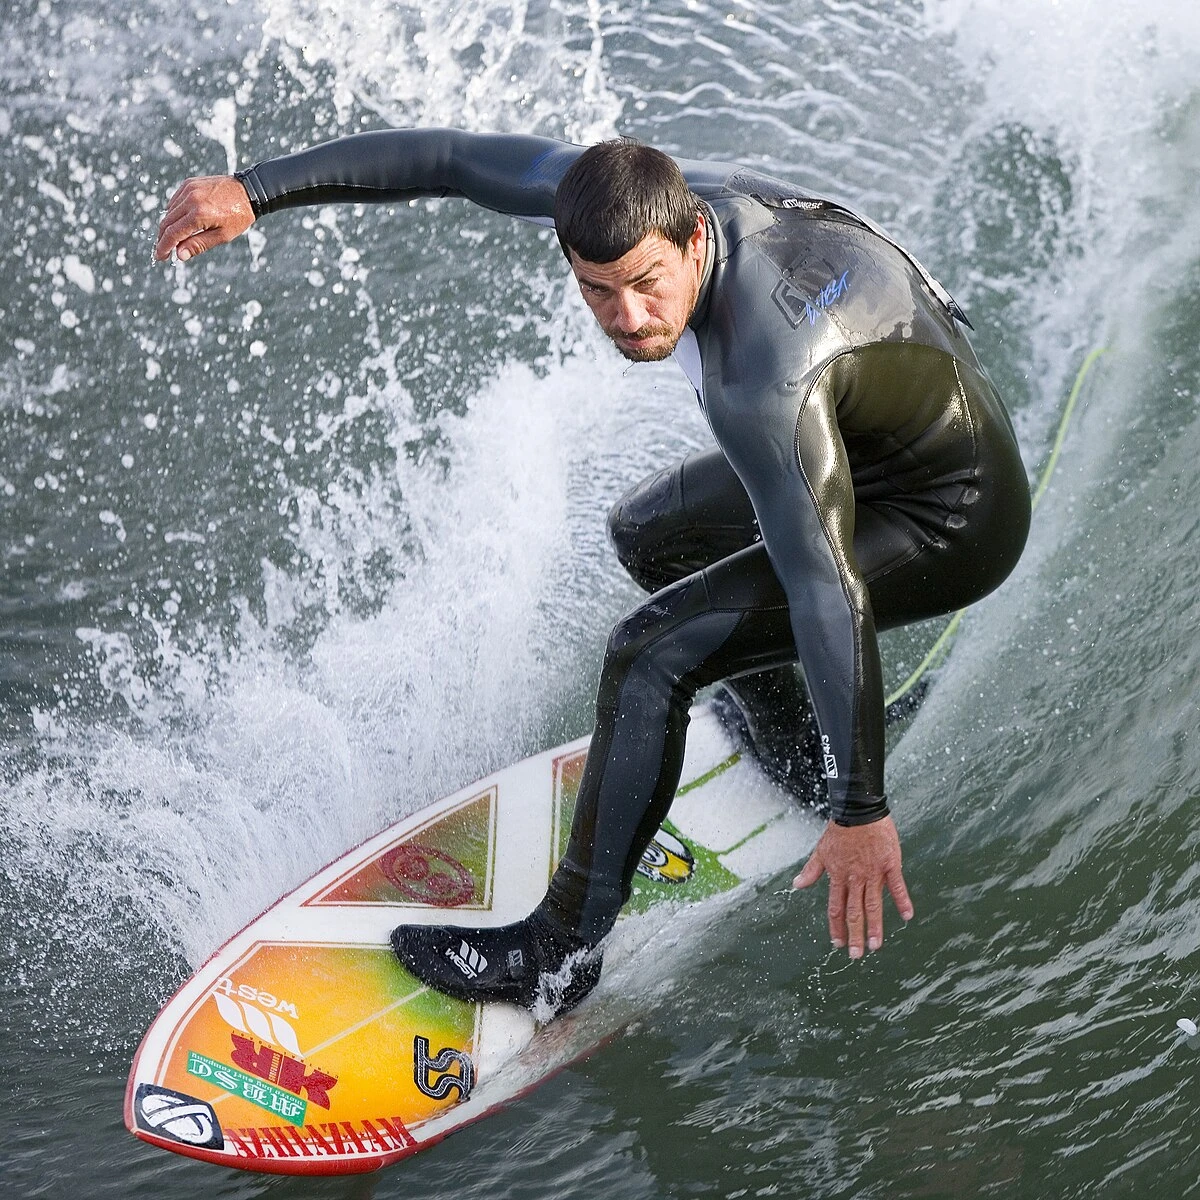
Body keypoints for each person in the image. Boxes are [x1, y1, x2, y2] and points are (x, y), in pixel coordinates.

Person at [155, 129, 1030, 1015]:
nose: (629, 318)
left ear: (694, 239)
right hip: (871, 432)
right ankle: (795, 745)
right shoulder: (625, 198)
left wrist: (860, 810)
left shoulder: (759, 378)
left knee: (651, 653)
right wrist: (254, 191)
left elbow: (821, 583)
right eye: (597, 291)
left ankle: (557, 953)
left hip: (952, 512)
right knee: (649, 537)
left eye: (649, 284)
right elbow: (449, 161)